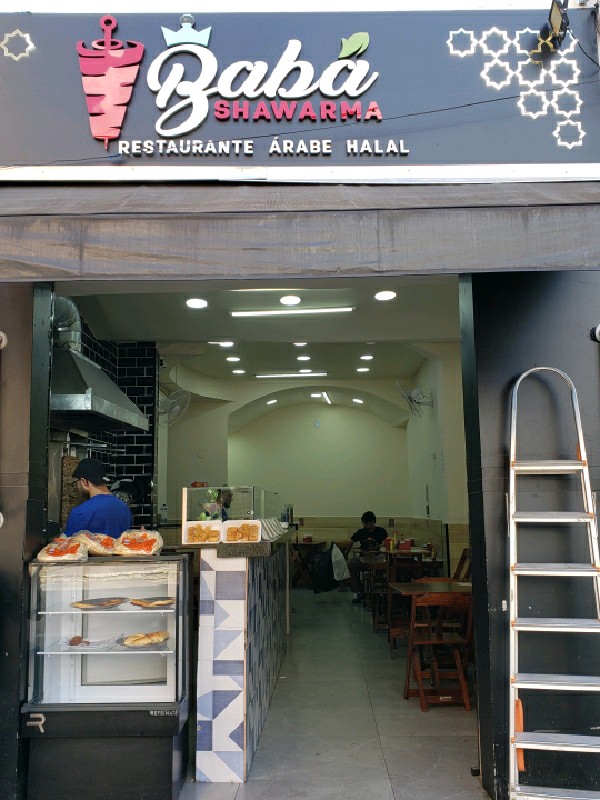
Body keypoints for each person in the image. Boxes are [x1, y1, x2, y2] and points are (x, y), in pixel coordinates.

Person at [64, 458, 132, 538]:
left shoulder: (80, 512)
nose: (77, 487)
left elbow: (71, 543)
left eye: (77, 482)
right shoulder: (124, 508)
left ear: (84, 482)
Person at [346, 511, 388, 603]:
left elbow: (386, 544)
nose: (364, 525)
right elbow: (350, 541)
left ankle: (378, 593)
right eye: (363, 523)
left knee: (382, 567)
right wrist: (346, 554)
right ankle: (359, 591)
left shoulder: (381, 531)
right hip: (363, 559)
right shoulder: (361, 532)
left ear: (372, 522)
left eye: (366, 523)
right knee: (349, 565)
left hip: (378, 558)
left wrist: (378, 546)